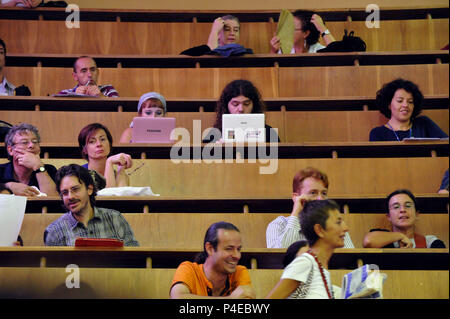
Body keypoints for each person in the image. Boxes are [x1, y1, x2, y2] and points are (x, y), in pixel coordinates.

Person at [266, 200, 348, 299]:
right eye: (338, 222)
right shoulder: (305, 262)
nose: (345, 228)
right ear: (320, 230)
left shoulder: (321, 268)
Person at [44, 164, 139, 246]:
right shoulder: (54, 231)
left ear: (89, 189)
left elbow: (134, 258)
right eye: (65, 192)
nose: (70, 197)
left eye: (75, 189)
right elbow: (56, 266)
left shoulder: (115, 219)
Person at [266, 167, 354, 248]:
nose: (320, 199)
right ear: (296, 197)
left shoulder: (336, 226)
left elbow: (350, 260)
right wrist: (296, 213)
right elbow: (283, 256)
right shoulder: (279, 225)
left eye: (324, 193)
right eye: (313, 193)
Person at [170, 221, 256, 299]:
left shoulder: (240, 272)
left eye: (238, 249)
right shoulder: (189, 269)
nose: (237, 256)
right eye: (229, 249)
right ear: (210, 249)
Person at [202, 79, 280, 143]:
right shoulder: (215, 133)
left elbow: (281, 158)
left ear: (254, 105)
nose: (241, 109)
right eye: (235, 104)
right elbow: (202, 158)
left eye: (246, 104)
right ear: (226, 105)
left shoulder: (268, 132)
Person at [369, 78, 448, 141]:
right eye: (400, 101)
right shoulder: (377, 133)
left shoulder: (423, 124)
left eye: (410, 102)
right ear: (389, 104)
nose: (406, 105)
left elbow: (445, 144)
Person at [363, 189, 446, 248]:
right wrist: (400, 236)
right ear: (389, 217)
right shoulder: (380, 236)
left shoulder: (429, 242)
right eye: (396, 207)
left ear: (417, 214)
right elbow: (368, 241)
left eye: (408, 206)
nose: (402, 210)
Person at [0, 123, 58, 196]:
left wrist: (39, 168)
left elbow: (53, 200)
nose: (31, 145)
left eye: (35, 142)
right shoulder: (1, 171)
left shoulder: (49, 170)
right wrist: (8, 186)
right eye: (24, 142)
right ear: (11, 150)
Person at [78, 123, 133, 190]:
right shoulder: (79, 175)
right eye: (92, 141)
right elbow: (107, 196)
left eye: (102, 139)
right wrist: (109, 161)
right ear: (84, 149)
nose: (99, 144)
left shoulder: (117, 175)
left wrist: (121, 170)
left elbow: (121, 197)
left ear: (109, 144)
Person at [270, 10, 335, 54]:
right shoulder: (282, 50)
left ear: (305, 33)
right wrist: (273, 51)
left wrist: (323, 29)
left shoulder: (318, 51)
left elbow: (336, 52)